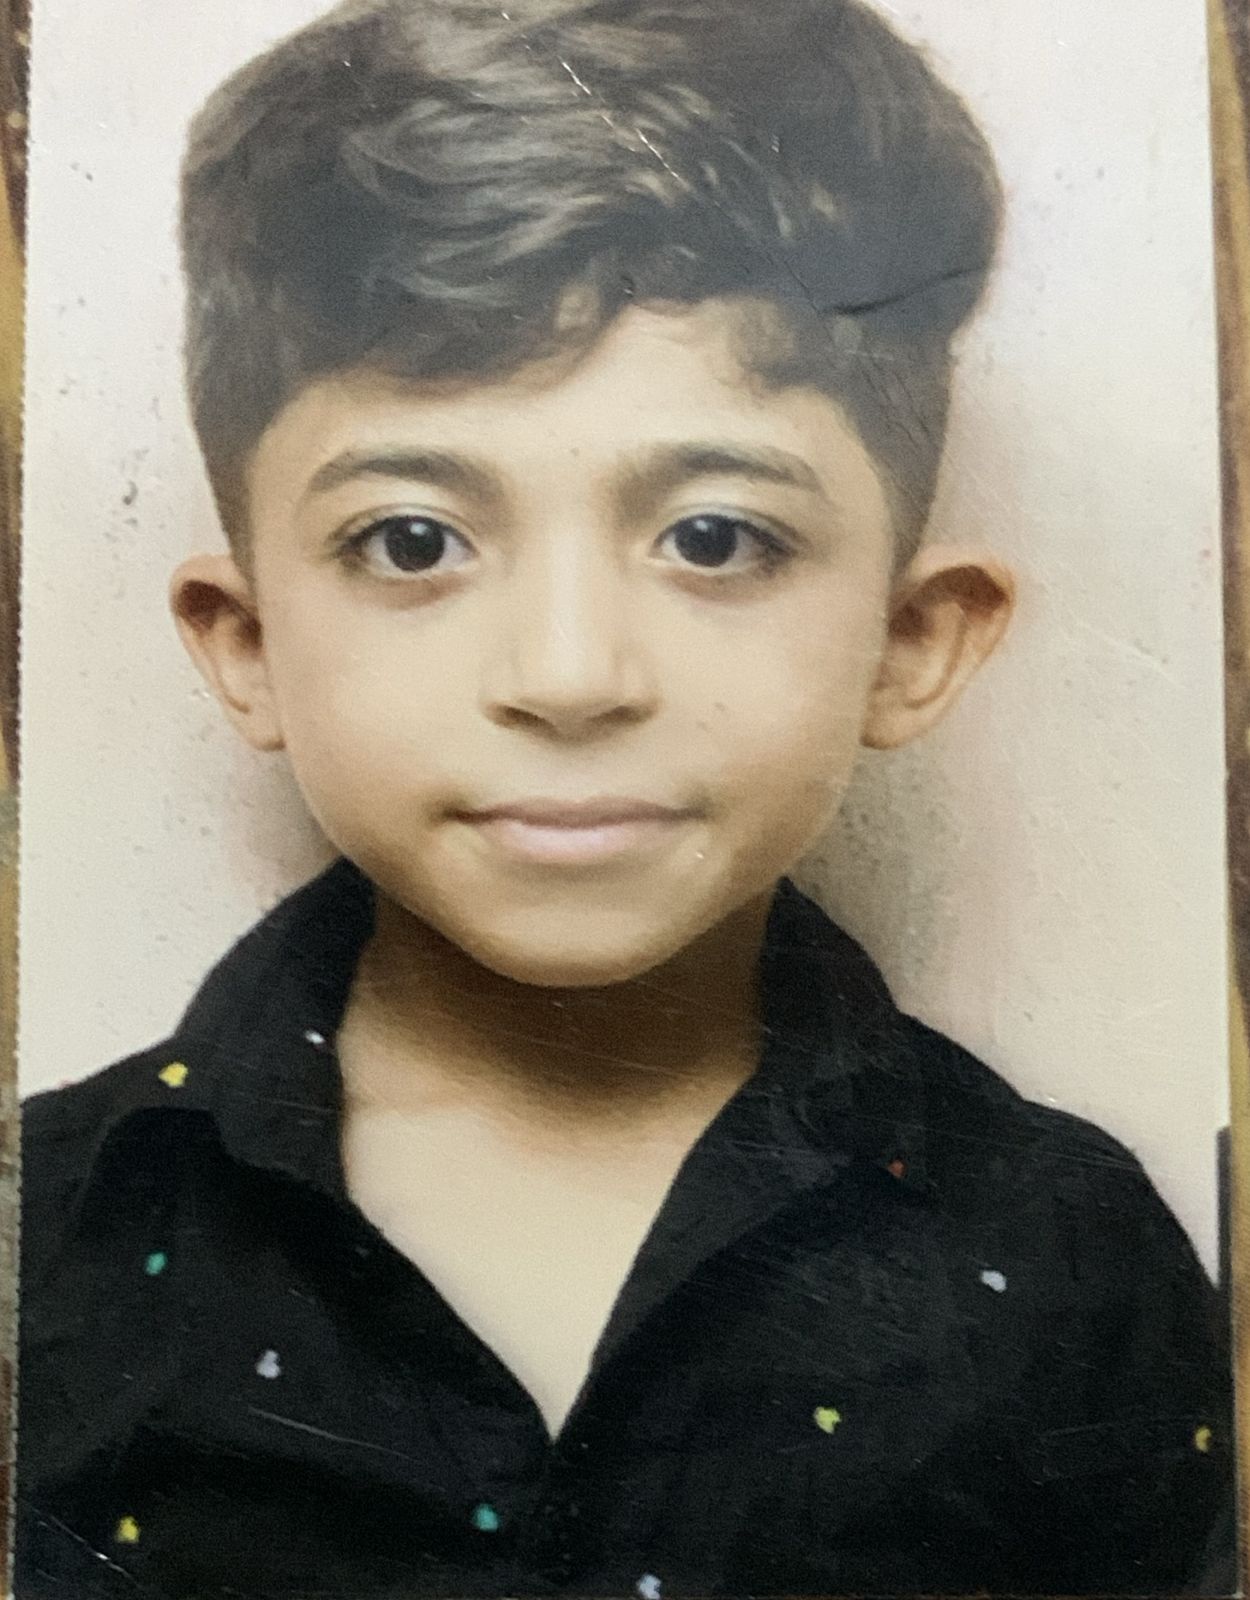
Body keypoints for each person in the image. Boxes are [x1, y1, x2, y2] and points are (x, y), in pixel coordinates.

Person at [16, 0, 1235, 1594]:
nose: (571, 675)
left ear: (909, 641)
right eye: (412, 541)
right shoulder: (47, 1230)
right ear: (247, 647)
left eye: (714, 538)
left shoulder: (1071, 1252)